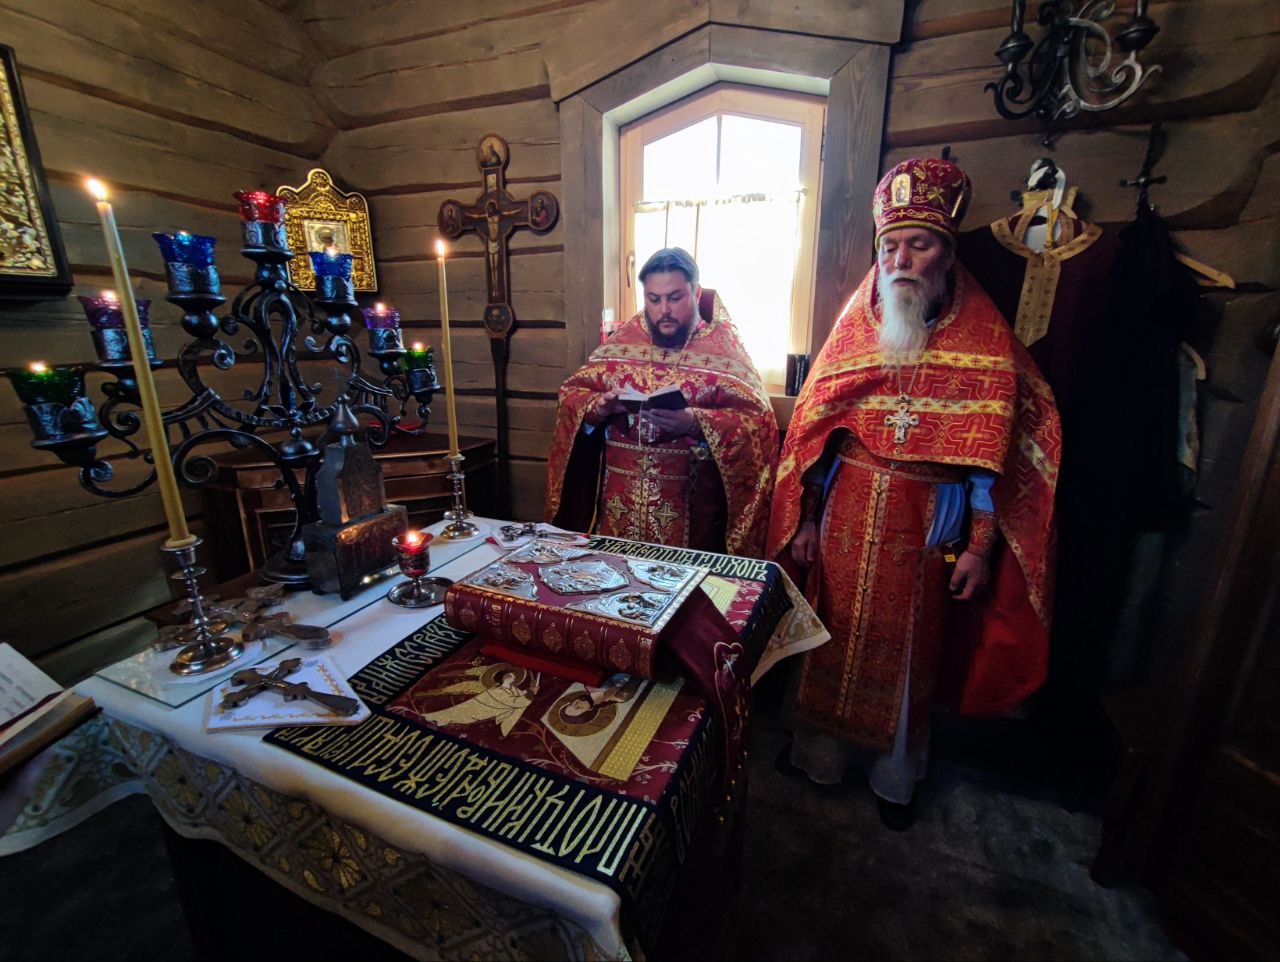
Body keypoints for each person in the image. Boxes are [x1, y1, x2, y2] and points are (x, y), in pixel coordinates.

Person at [767, 158, 1061, 828]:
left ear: (948, 255)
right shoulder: (854, 333)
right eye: (890, 245)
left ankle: (891, 778)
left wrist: (979, 549)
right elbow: (820, 441)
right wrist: (806, 520)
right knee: (827, 637)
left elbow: (991, 464)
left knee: (907, 655)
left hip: (928, 524)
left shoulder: (984, 344)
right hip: (844, 518)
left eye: (919, 244)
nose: (901, 260)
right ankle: (818, 756)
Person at [546, 248, 778, 556]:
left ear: (696, 293)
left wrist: (696, 423)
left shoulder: (725, 353)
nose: (663, 310)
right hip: (617, 514)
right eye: (653, 299)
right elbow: (572, 395)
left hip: (693, 524)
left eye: (674, 297)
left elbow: (757, 423)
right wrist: (595, 410)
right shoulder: (622, 344)